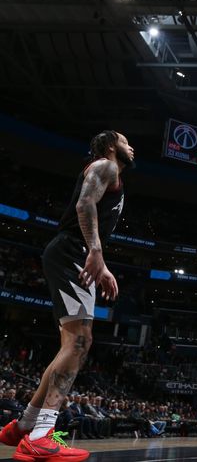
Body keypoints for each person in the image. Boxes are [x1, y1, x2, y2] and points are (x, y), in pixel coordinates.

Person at [0, 130, 133, 461]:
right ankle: (42, 434)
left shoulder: (110, 173)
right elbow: (84, 204)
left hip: (74, 255)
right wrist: (96, 252)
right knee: (79, 343)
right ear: (111, 146)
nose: (132, 147)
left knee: (71, 346)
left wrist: (99, 263)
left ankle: (24, 427)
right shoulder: (106, 166)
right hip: (71, 253)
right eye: (126, 141)